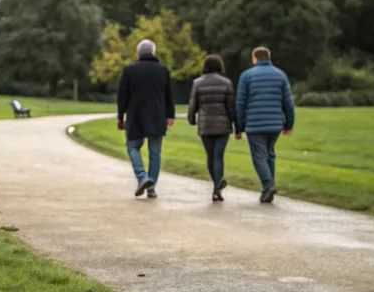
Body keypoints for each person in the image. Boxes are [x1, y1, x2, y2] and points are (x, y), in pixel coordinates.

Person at [234, 46, 295, 203]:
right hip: (275, 124)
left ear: (254, 59)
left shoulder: (246, 76)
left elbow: (240, 103)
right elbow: (288, 102)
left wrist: (238, 127)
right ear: (269, 57)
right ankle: (268, 189)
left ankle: (268, 185)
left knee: (259, 156)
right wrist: (289, 123)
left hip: (255, 124)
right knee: (270, 154)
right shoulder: (281, 75)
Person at [117, 39, 176, 199]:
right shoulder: (162, 70)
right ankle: (151, 187)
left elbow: (122, 95)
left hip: (135, 115)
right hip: (157, 115)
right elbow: (168, 95)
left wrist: (120, 116)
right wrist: (170, 115)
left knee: (132, 147)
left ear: (138, 54)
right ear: (153, 53)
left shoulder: (129, 70)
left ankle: (142, 177)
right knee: (155, 152)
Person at [187, 54, 236, 202]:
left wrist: (191, 119)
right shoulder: (226, 83)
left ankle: (216, 185)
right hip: (223, 126)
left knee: (210, 156)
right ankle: (217, 188)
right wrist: (237, 124)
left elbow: (193, 104)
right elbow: (231, 108)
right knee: (218, 156)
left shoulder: (197, 83)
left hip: (206, 125)